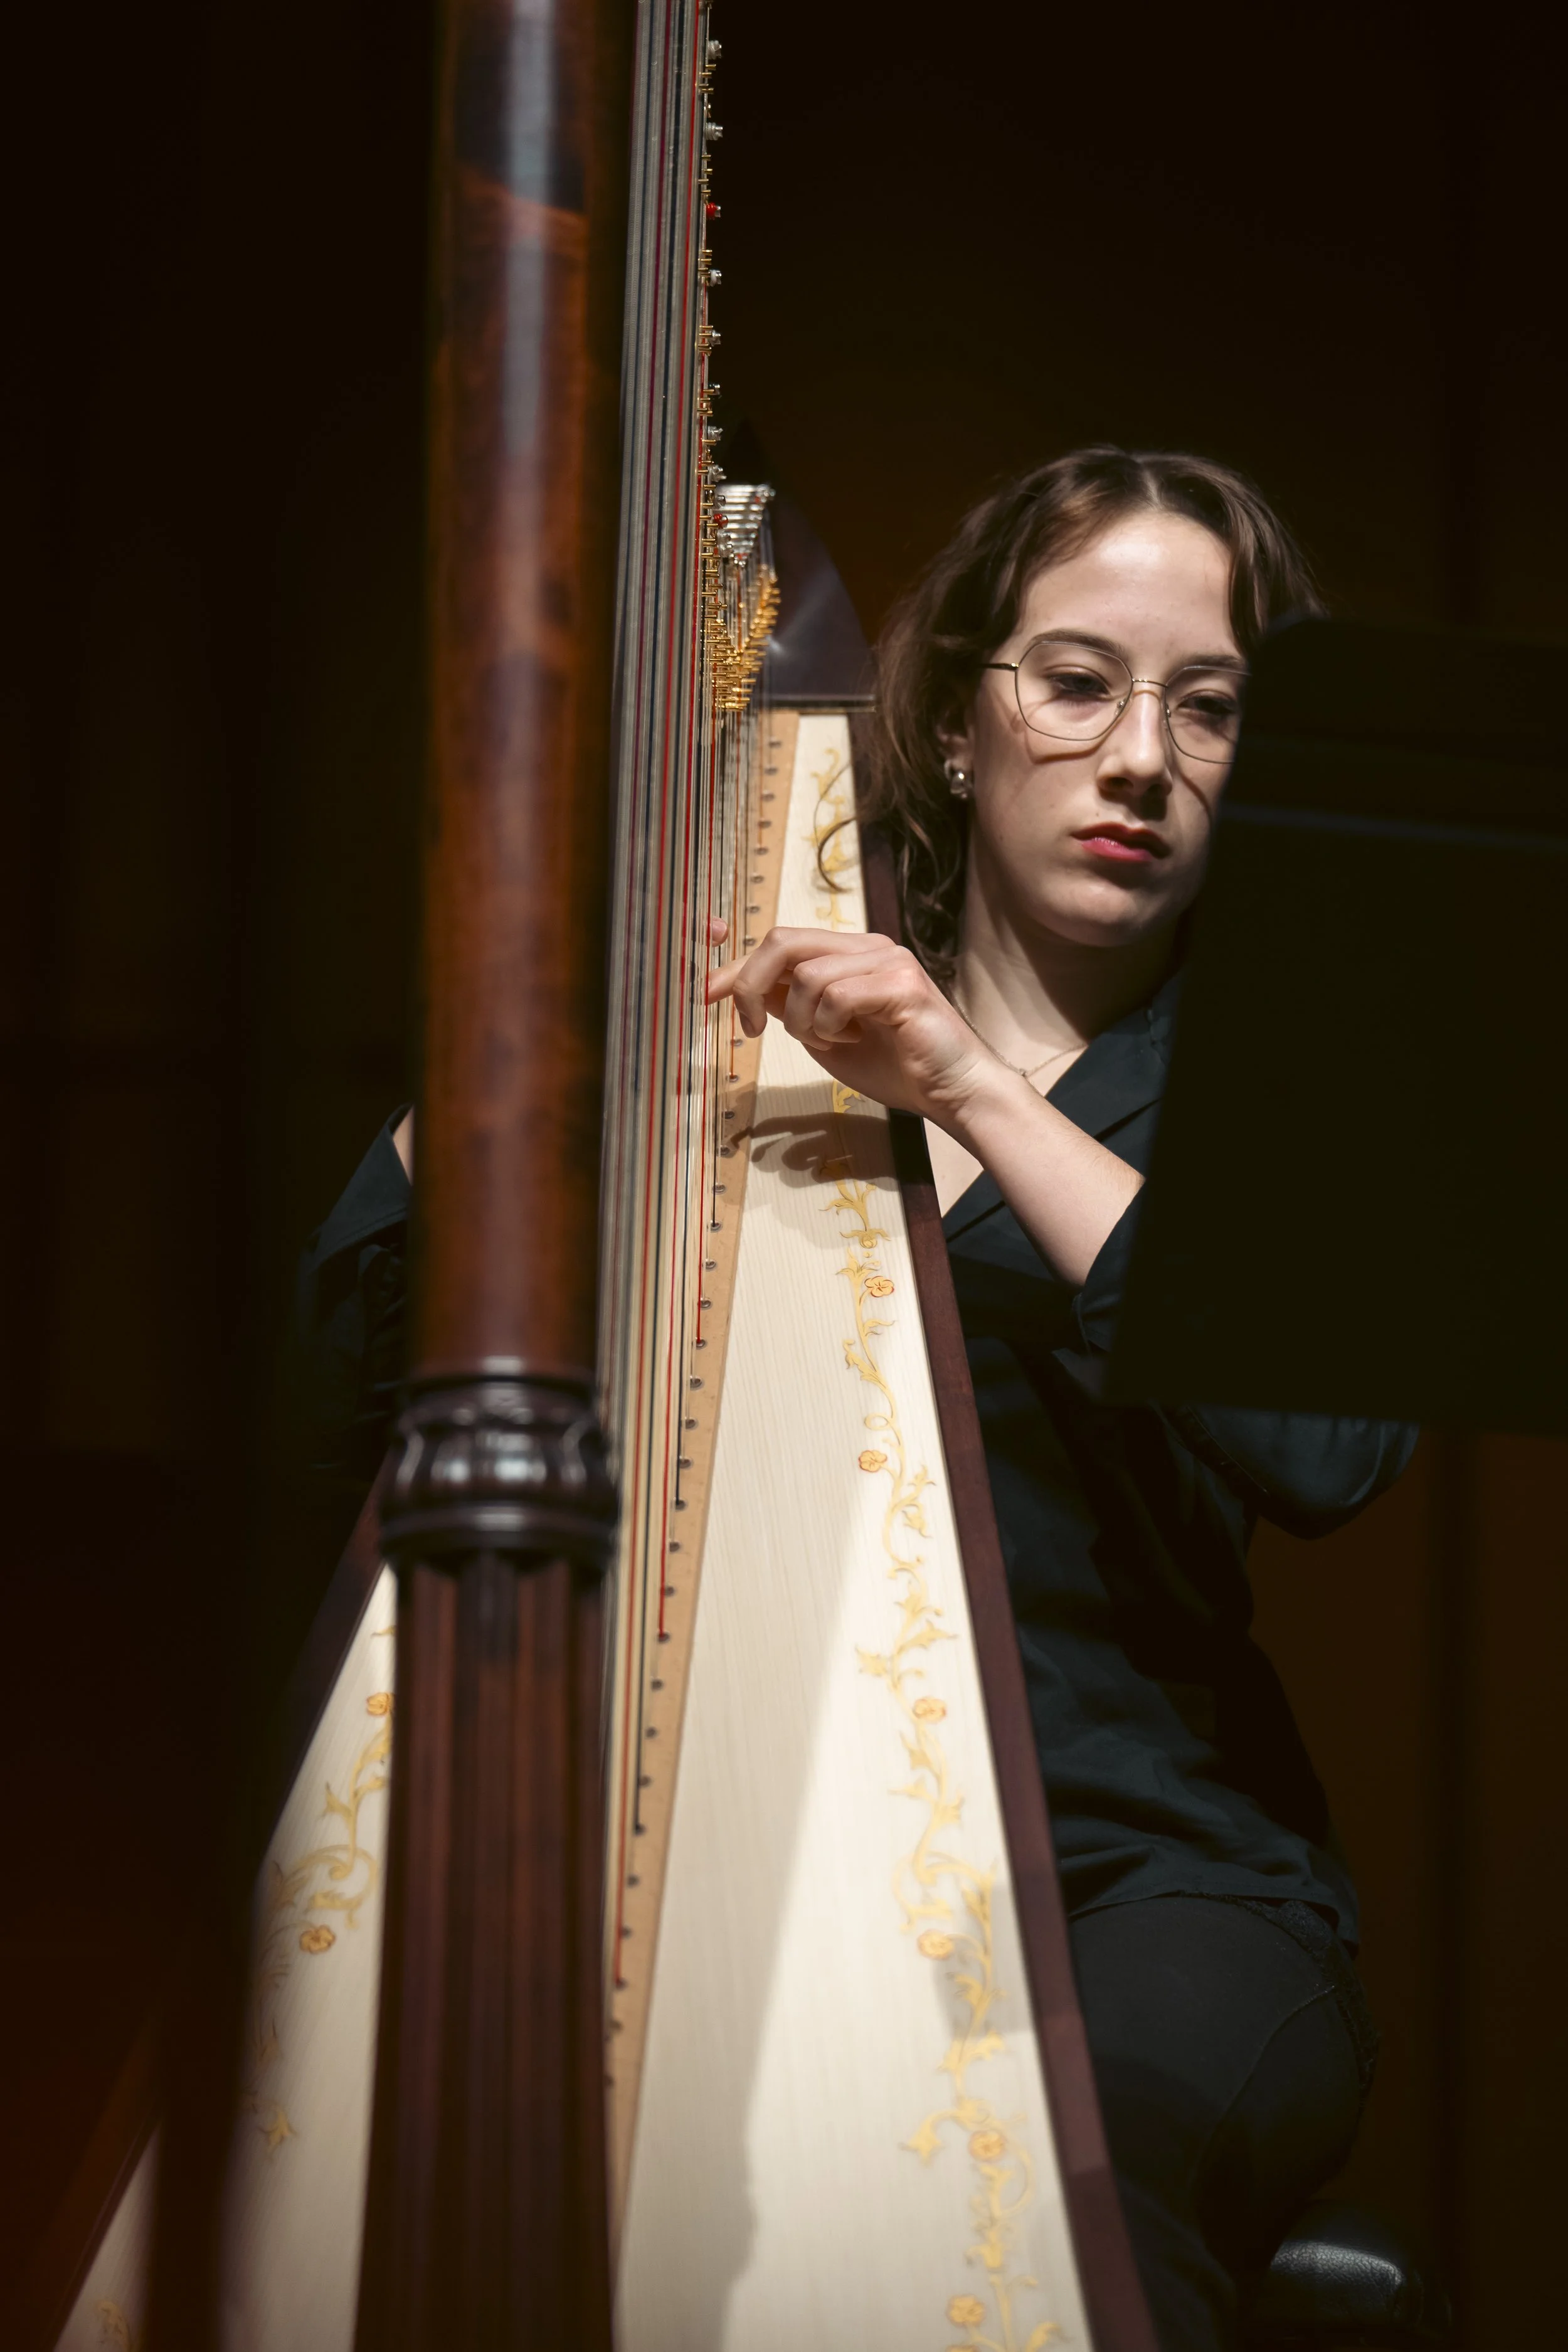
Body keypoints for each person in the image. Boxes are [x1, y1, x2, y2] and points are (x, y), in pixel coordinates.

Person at [293, 447, 1415, 2352]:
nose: (1141, 757)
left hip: (1143, 1884)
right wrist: (524, 1022)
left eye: (1211, 708)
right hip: (761, 1848)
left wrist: (969, 1085)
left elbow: (1327, 1446)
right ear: (961, 728)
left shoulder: (1286, 1083)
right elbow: (342, 1385)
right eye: (1078, 683)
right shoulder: (767, 1007)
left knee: (1038, 2196)